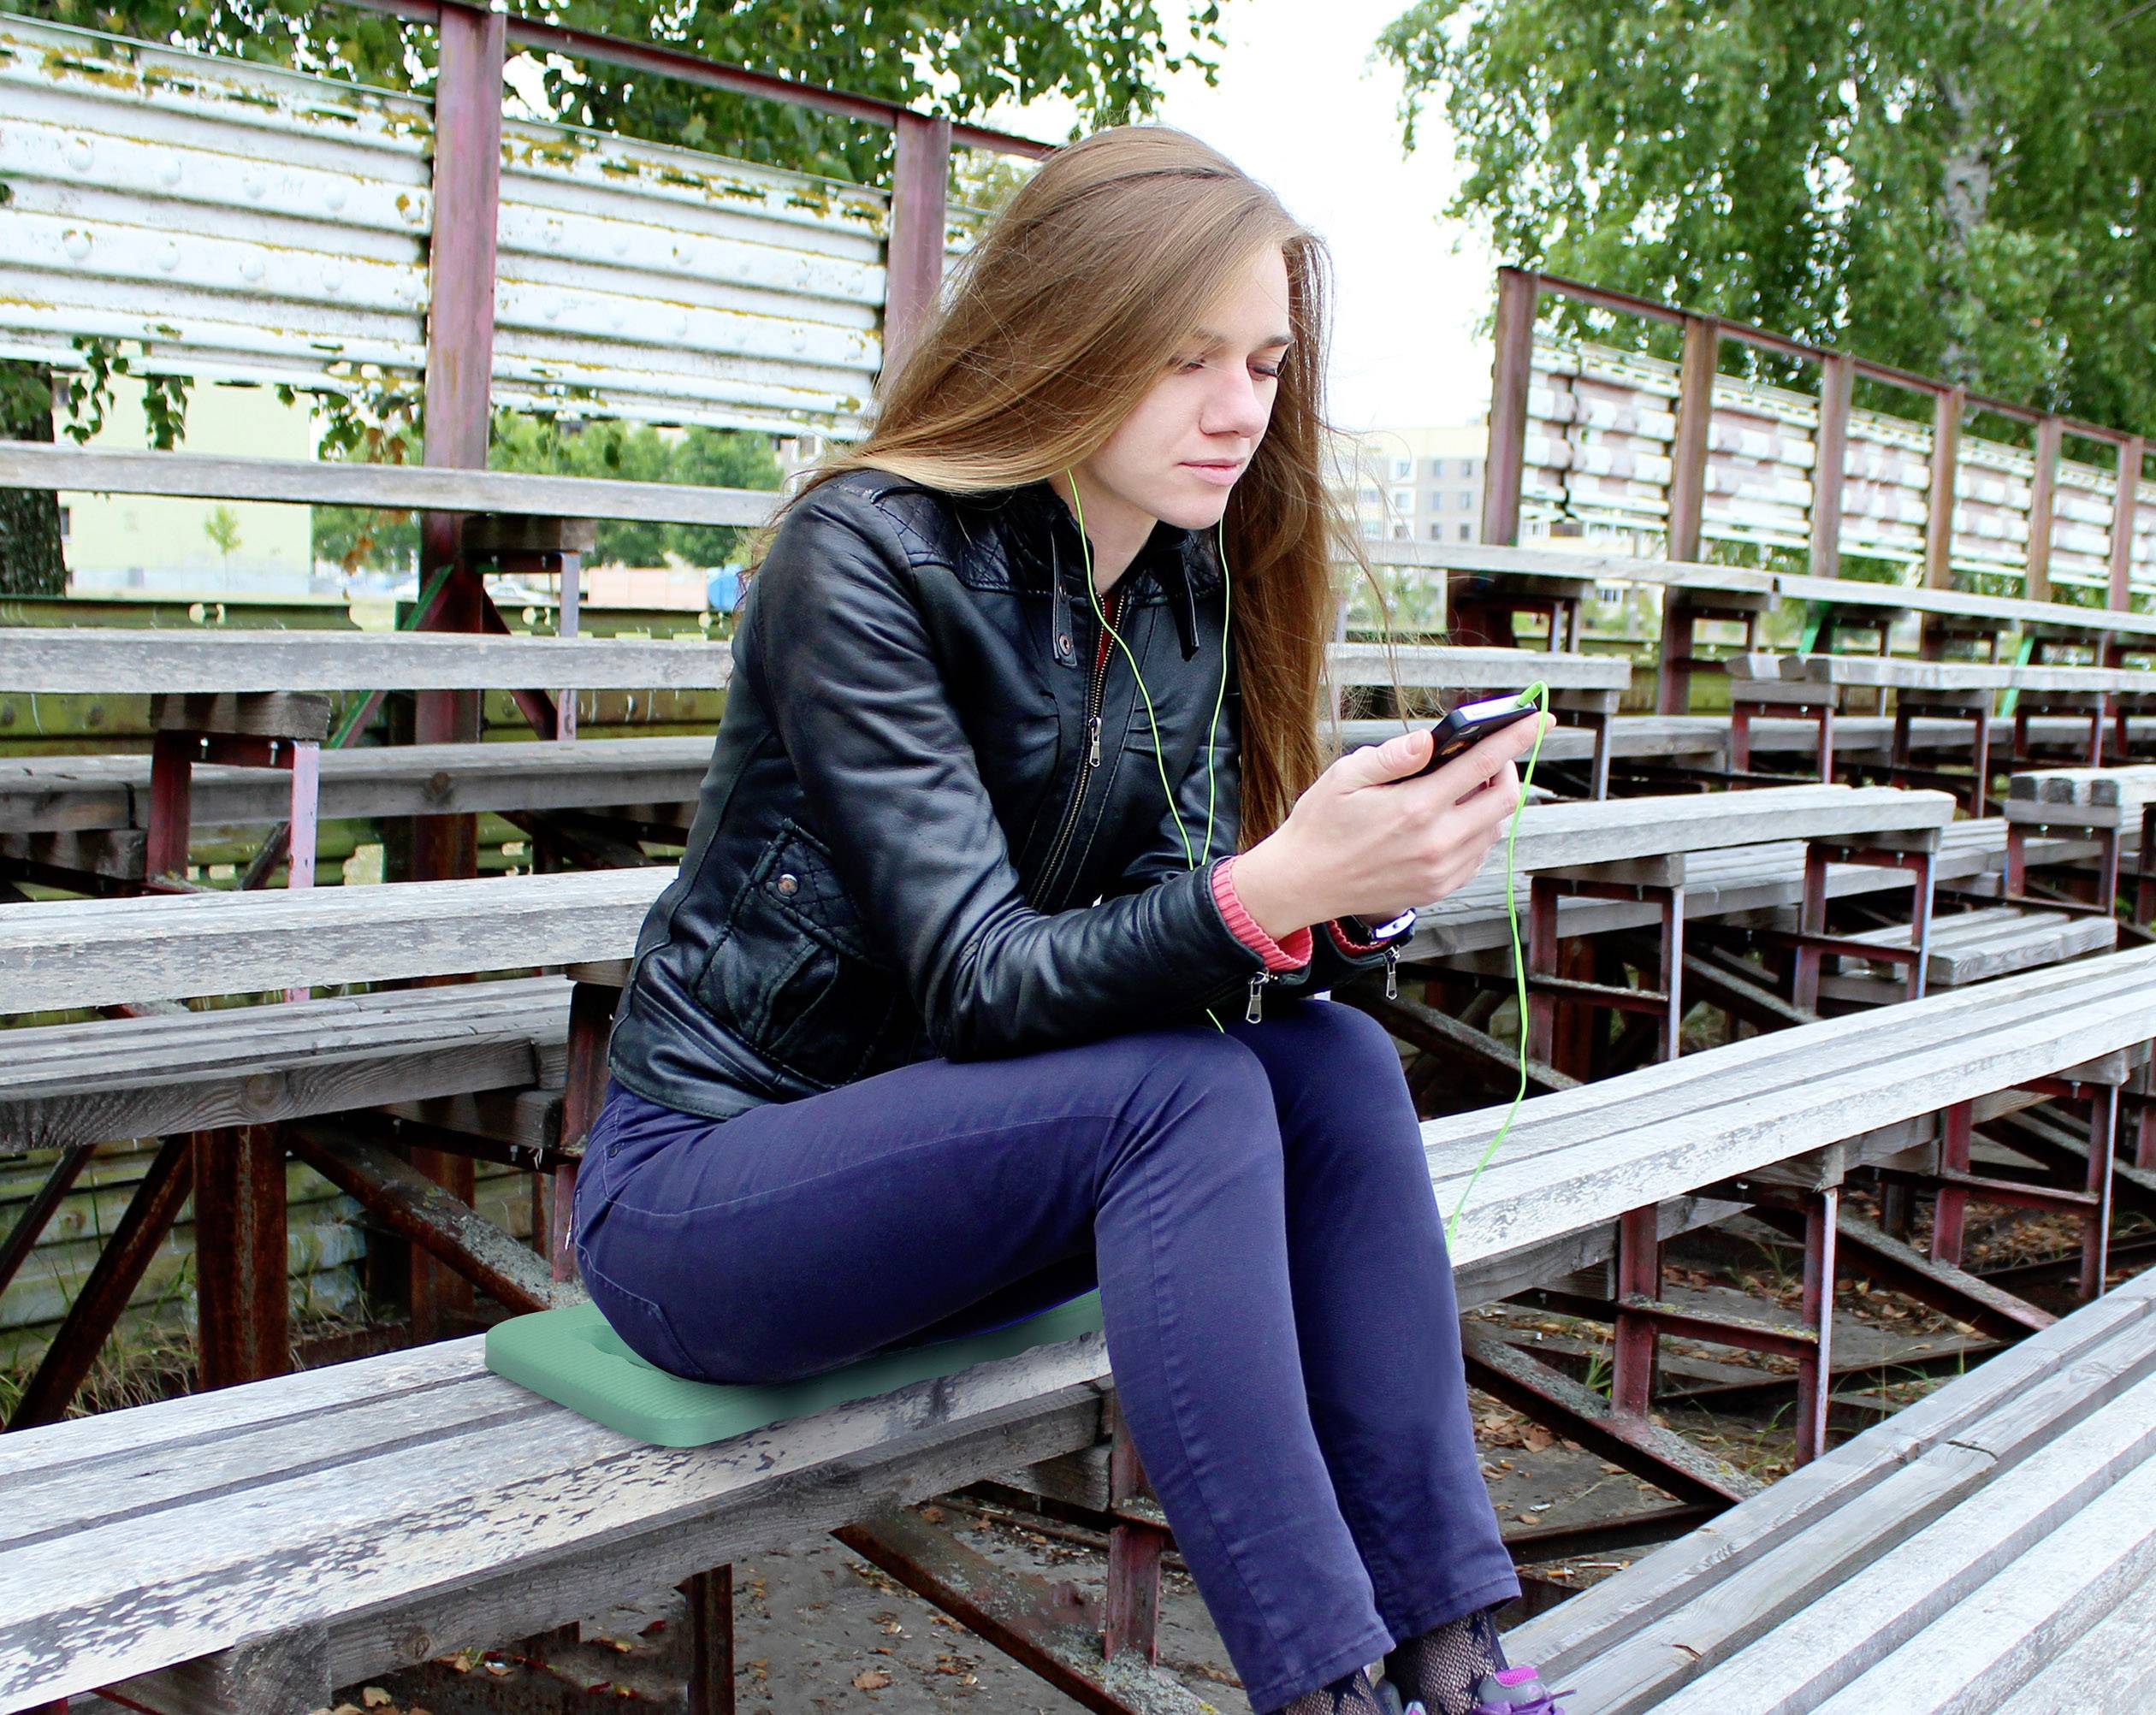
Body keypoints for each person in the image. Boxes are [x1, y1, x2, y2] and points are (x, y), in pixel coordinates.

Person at [571, 124, 1561, 1715]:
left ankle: (1455, 1660)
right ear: (1063, 337)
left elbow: (1185, 942)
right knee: (1186, 1093)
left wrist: (1345, 900)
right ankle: (1323, 1693)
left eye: (1262, 360)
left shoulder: (1187, 576)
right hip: (713, 1196)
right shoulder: (865, 559)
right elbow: (981, 980)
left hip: (980, 1184)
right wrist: (1273, 889)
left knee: (1332, 1068)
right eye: (1187, 360)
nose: (1240, 409)